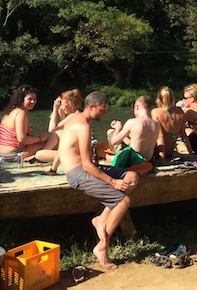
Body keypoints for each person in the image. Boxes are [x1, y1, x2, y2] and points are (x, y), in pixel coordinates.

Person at [58, 91, 139, 269]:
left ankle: (102, 219)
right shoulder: (83, 126)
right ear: (91, 107)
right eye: (102, 111)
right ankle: (102, 247)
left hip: (84, 167)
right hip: (77, 173)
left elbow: (56, 128)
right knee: (123, 201)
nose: (103, 114)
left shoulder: (75, 116)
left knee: (132, 177)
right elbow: (87, 165)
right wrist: (112, 182)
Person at [32, 89, 83, 173]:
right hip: (76, 150)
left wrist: (55, 110)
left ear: (69, 104)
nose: (61, 108)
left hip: (74, 154)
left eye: (62, 105)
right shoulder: (78, 114)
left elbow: (51, 129)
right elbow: (63, 127)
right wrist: (60, 111)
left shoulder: (73, 117)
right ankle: (46, 154)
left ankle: (43, 157)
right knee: (58, 133)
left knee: (39, 154)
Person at [0, 85, 49, 158]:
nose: (33, 101)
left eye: (34, 99)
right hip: (11, 155)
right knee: (46, 142)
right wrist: (40, 138)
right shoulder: (21, 113)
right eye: (30, 99)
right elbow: (22, 139)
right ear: (21, 99)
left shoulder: (9, 112)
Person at [109, 95, 160, 170]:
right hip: (148, 160)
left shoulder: (132, 122)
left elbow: (114, 142)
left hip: (133, 161)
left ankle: (110, 158)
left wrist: (118, 128)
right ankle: (110, 158)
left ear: (137, 107)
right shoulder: (156, 124)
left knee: (110, 132)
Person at [151, 87, 193, 163]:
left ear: (159, 99)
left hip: (158, 152)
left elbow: (160, 137)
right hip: (170, 152)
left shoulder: (155, 112)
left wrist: (162, 157)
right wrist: (190, 153)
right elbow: (184, 135)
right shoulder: (180, 111)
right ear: (173, 98)